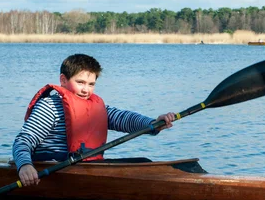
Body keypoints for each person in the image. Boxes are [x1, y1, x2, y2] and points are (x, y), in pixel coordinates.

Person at [13, 53, 175, 187]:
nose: (86, 90)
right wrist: (25, 165)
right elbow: (24, 140)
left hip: (86, 168)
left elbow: (124, 118)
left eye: (91, 84)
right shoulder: (50, 106)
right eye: (80, 82)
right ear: (63, 80)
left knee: (143, 162)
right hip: (53, 169)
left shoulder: (95, 106)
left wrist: (153, 124)